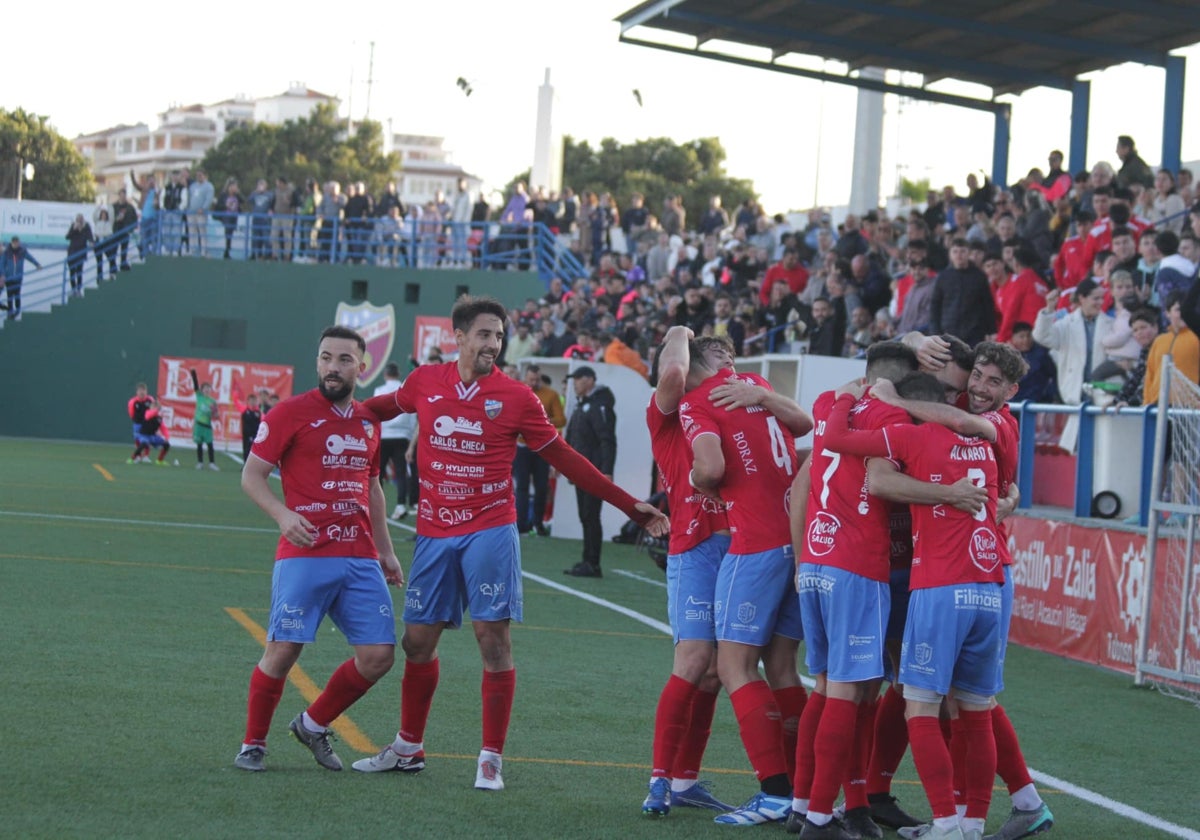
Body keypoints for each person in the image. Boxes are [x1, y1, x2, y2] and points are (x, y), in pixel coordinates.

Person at [353, 295, 667, 790]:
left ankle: (490, 757)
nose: (492, 344)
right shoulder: (424, 383)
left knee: (492, 640)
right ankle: (408, 747)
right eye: (483, 334)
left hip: (489, 530)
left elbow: (567, 459)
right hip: (435, 534)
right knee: (416, 642)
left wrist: (631, 505)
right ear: (457, 337)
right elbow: (368, 411)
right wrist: (316, 419)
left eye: (498, 336)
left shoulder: (518, 397)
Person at [789, 345, 987, 840]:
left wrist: (799, 563)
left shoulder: (830, 402)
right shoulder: (890, 417)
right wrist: (952, 493)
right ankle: (822, 813)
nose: (944, 401)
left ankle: (822, 803)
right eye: (939, 390)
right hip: (864, 567)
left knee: (837, 684)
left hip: (819, 559)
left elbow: (803, 483)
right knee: (858, 691)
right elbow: (879, 482)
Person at [233, 325, 403, 772]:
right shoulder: (289, 413)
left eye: (344, 359)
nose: (333, 367)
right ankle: (253, 743)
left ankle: (312, 724)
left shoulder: (369, 421)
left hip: (360, 555)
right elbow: (251, 476)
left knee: (379, 656)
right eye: (326, 357)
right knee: (284, 650)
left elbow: (373, 488)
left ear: (362, 368)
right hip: (306, 553)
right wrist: (284, 516)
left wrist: (385, 551)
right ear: (317, 362)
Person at [684, 354, 814, 826]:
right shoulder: (755, 382)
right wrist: (762, 396)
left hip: (756, 543)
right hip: (797, 540)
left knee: (732, 664)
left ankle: (775, 792)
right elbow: (805, 425)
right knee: (781, 665)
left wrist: (698, 482)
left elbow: (711, 467)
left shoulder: (695, 402)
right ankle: (805, 794)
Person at [641, 328, 738, 817]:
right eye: (718, 358)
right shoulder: (669, 413)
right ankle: (659, 780)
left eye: (732, 360)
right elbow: (676, 372)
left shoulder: (737, 410)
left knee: (718, 674)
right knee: (695, 659)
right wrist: (679, 332)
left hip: (744, 549)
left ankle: (685, 781)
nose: (728, 368)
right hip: (695, 547)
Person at [563, 366, 617, 577]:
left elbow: (607, 440)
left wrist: (607, 471)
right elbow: (573, 438)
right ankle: (587, 559)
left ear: (589, 380)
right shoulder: (584, 405)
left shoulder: (599, 406)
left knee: (591, 516)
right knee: (586, 515)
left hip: (594, 471)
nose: (574, 383)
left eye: (577, 379)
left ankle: (593, 563)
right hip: (582, 471)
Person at [514, 364, 565, 536]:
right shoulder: (517, 390)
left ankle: (538, 523)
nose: (534, 382)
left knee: (541, 487)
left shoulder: (551, 395)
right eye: (531, 379)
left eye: (537, 379)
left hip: (542, 447)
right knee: (521, 487)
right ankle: (520, 524)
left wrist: (540, 421)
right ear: (525, 378)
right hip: (521, 446)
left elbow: (561, 419)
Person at [929, 238, 995, 345]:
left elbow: (987, 305)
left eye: (962, 251)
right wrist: (935, 331)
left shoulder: (979, 276)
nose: (959, 255)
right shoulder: (943, 277)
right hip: (947, 333)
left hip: (974, 333)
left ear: (968, 253)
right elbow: (935, 305)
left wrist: (991, 331)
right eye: (955, 251)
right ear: (950, 254)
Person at [373, 362, 417, 519]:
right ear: (398, 374)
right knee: (401, 472)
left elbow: (375, 413)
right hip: (402, 436)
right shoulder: (404, 388)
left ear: (385, 374)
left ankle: (376, 507)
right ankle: (400, 505)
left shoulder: (379, 390)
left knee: (378, 473)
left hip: (384, 436)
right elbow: (412, 415)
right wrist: (410, 435)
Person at [1, 236, 41, 321]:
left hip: (18, 278)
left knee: (17, 295)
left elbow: (30, 258)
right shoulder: (7, 252)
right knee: (10, 296)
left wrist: (37, 264)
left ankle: (17, 310)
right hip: (9, 278)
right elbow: (2, 264)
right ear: (11, 243)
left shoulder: (22, 251)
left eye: (17, 242)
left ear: (19, 242)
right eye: (14, 242)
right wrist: (3, 275)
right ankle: (10, 313)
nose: (15, 244)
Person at [191, 369, 220, 470]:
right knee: (199, 444)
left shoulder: (212, 401)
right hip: (199, 424)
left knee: (210, 444)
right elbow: (195, 386)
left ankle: (212, 463)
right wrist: (194, 375)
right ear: (202, 390)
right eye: (205, 388)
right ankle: (200, 462)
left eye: (209, 388)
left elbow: (216, 415)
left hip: (207, 426)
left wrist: (215, 412)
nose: (207, 390)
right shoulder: (199, 397)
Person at [131, 397, 173, 466]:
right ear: (150, 407)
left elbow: (163, 428)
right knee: (144, 444)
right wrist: (156, 410)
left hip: (153, 436)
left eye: (156, 407)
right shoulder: (147, 413)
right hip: (144, 435)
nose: (155, 408)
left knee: (167, 444)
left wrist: (167, 437)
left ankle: (159, 460)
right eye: (153, 407)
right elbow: (148, 416)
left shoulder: (159, 418)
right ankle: (132, 458)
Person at [65, 214, 94, 298]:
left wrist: (91, 242)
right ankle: (73, 289)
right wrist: (74, 229)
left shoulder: (86, 226)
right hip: (72, 252)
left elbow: (90, 236)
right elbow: (67, 237)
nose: (79, 221)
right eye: (78, 219)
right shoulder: (73, 226)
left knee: (79, 272)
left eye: (80, 219)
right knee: (72, 272)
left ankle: (78, 290)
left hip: (81, 252)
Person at [186, 170, 214, 256]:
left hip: (201, 213)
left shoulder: (209, 186)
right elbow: (189, 197)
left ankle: (203, 250)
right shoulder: (193, 186)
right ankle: (192, 249)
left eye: (200, 175)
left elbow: (209, 199)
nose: (199, 177)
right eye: (197, 175)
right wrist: (188, 208)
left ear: (205, 176)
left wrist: (203, 208)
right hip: (191, 212)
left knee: (202, 232)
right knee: (191, 231)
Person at [127, 383, 155, 463]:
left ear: (146, 391)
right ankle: (138, 456)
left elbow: (153, 410)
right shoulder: (133, 401)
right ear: (137, 392)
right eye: (140, 391)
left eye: (144, 391)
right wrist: (136, 420)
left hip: (147, 424)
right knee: (137, 439)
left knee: (147, 439)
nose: (142, 393)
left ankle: (146, 456)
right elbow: (131, 413)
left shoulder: (150, 400)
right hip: (137, 424)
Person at [93, 202, 116, 281]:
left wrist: (109, 205)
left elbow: (112, 215)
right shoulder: (97, 222)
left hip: (106, 241)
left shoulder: (109, 223)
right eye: (102, 214)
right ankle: (99, 277)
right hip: (98, 241)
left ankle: (112, 274)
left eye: (105, 214)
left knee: (111, 258)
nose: (103, 215)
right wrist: (99, 206)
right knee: (99, 261)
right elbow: (94, 215)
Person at [240, 393, 262, 462]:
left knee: (254, 450)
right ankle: (245, 464)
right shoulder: (245, 411)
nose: (252, 402)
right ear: (248, 401)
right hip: (246, 434)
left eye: (254, 400)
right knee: (246, 449)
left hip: (255, 434)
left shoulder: (258, 412)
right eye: (251, 400)